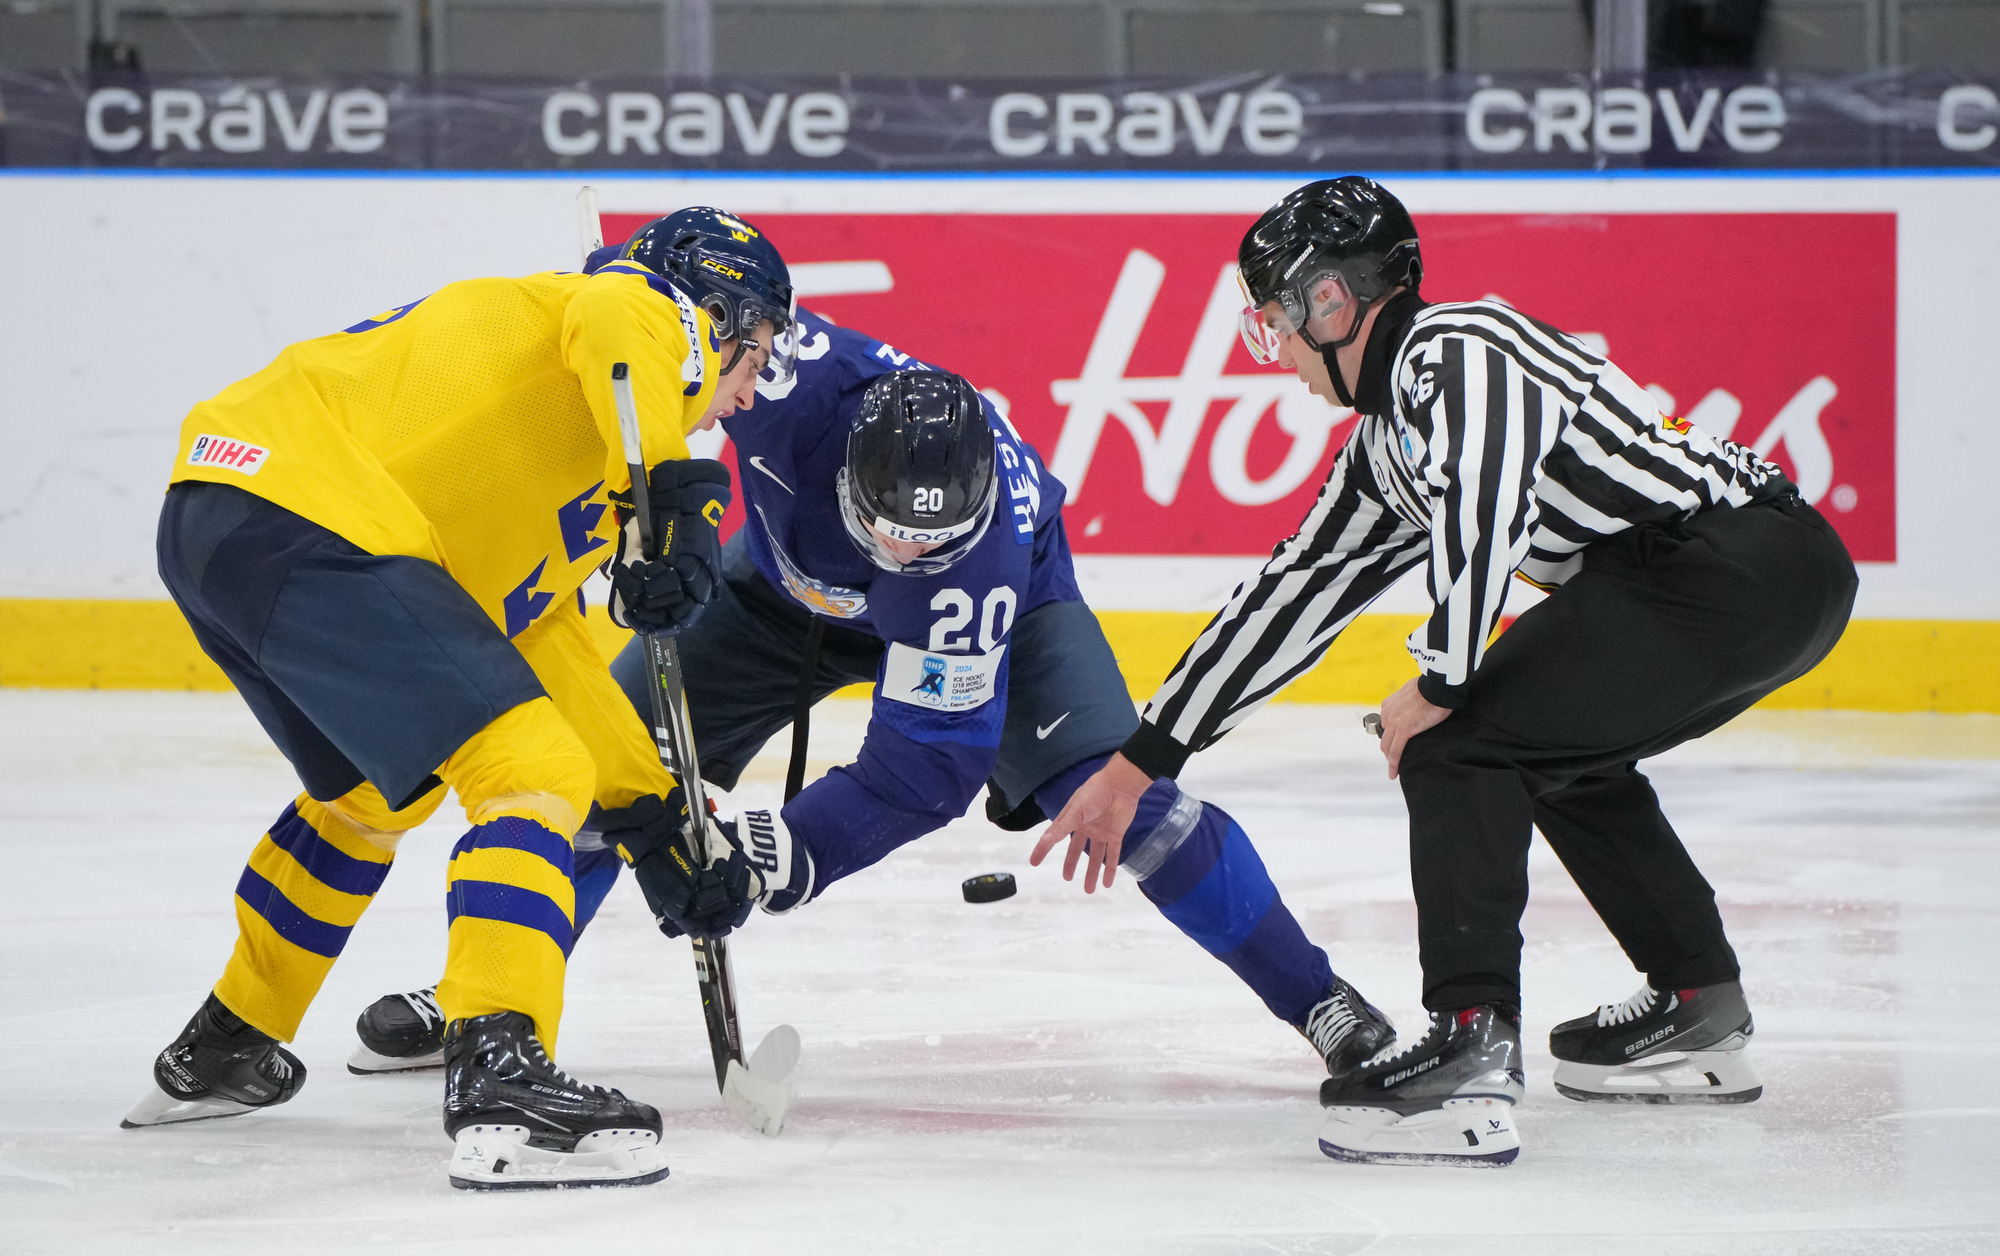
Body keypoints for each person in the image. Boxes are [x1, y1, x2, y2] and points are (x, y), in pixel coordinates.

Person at [347, 310, 1397, 1090]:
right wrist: (651, 508)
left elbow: (924, 767)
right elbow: (638, 321)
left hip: (1013, 623)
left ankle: (1319, 998)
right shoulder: (781, 378)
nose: (900, 549)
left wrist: (774, 849)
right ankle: (490, 999)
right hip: (773, 594)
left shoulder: (968, 567)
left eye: (923, 539)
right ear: (845, 462)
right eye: (884, 524)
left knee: (1136, 811)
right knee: (595, 767)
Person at [1038, 176, 1857, 1165]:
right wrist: (1137, 763)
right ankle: (1696, 1002)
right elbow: (1283, 602)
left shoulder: (1456, 350)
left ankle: (1467, 1050)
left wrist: (1435, 683)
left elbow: (1485, 508)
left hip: (1731, 563)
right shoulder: (1385, 440)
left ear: (1332, 302)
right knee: (1551, 748)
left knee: (1460, 744)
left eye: (1278, 323)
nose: (1279, 354)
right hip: (1725, 579)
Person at [123, 206, 799, 1191]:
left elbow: (543, 644)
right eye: (755, 356)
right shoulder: (628, 307)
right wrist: (684, 496)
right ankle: (501, 1073)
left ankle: (230, 1037)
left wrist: (654, 816)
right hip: (306, 508)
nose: (747, 391)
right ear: (715, 317)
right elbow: (628, 317)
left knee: (372, 793)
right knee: (531, 770)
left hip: (233, 517)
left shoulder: (574, 470)